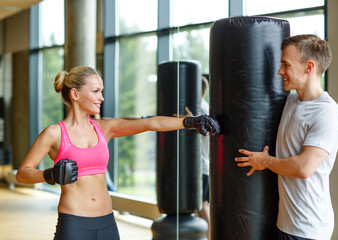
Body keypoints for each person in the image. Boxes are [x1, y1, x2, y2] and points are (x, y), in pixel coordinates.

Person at [15, 66, 220, 240]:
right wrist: (49, 175)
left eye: (101, 91)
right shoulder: (54, 133)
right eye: (95, 91)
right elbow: (22, 173)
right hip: (74, 224)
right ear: (75, 94)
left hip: (107, 224)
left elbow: (150, 123)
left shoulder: (104, 128)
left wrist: (189, 122)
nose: (101, 98)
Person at [235, 34, 338, 240]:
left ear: (309, 67)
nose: (280, 71)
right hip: (285, 222)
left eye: (286, 64)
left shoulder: (327, 113)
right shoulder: (292, 100)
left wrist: (265, 161)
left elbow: (304, 168)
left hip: (308, 227)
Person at [185, 76, 211, 239]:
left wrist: (190, 121)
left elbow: (205, 133)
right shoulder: (204, 107)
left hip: (201, 166)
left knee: (202, 207)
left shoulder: (200, 109)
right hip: (202, 166)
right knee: (200, 207)